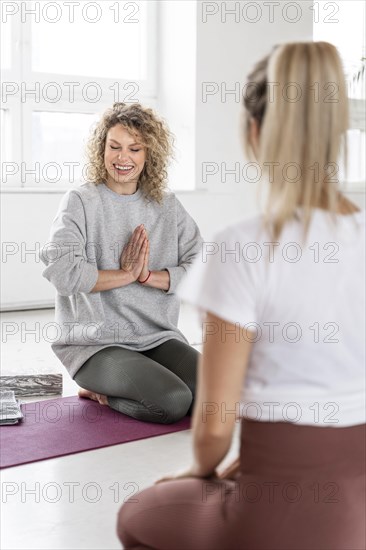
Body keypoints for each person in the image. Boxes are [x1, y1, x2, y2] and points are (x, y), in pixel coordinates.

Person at [117, 42, 366, 549]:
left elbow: (213, 428)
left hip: (272, 520)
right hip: (354, 514)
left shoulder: (242, 246)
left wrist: (200, 472)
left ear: (254, 133)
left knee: (141, 515)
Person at [40, 103, 203, 424]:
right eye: (114, 147)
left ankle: (132, 382)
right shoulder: (81, 201)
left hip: (156, 336)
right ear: (101, 149)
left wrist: (147, 277)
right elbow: (63, 273)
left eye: (134, 148)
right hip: (96, 344)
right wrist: (124, 274)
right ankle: (99, 391)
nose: (122, 157)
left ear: (149, 154)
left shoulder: (166, 205)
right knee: (173, 401)